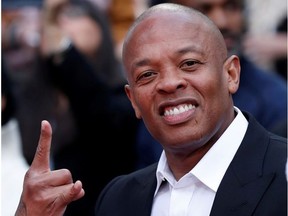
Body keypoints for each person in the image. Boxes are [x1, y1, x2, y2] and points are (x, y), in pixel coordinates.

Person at [15, 3, 287, 216]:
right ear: (133, 100)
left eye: (189, 63)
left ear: (231, 74)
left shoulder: (283, 172)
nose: (169, 83)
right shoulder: (118, 200)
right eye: (147, 75)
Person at [136, 0, 288, 168]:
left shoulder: (276, 100)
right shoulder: (149, 96)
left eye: (231, 7)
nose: (222, 22)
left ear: (232, 73)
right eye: (204, 9)